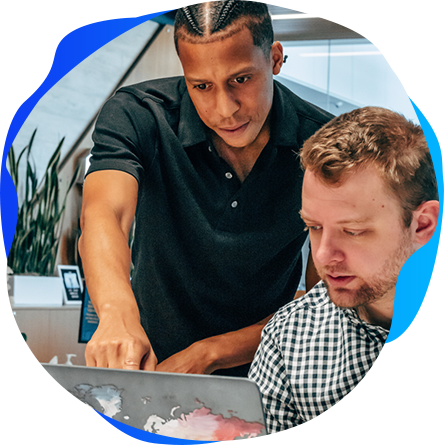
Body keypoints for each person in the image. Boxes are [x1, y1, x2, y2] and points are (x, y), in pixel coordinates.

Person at [78, 0, 332, 377]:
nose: (224, 108)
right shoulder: (139, 114)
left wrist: (209, 354)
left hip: (272, 372)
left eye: (241, 79)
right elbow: (105, 215)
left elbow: (323, 301)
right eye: (202, 86)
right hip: (150, 367)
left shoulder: (325, 141)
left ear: (275, 59)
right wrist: (116, 316)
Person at [249, 106, 442, 443]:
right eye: (314, 227)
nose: (324, 256)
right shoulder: (289, 339)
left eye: (353, 232)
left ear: (422, 225)